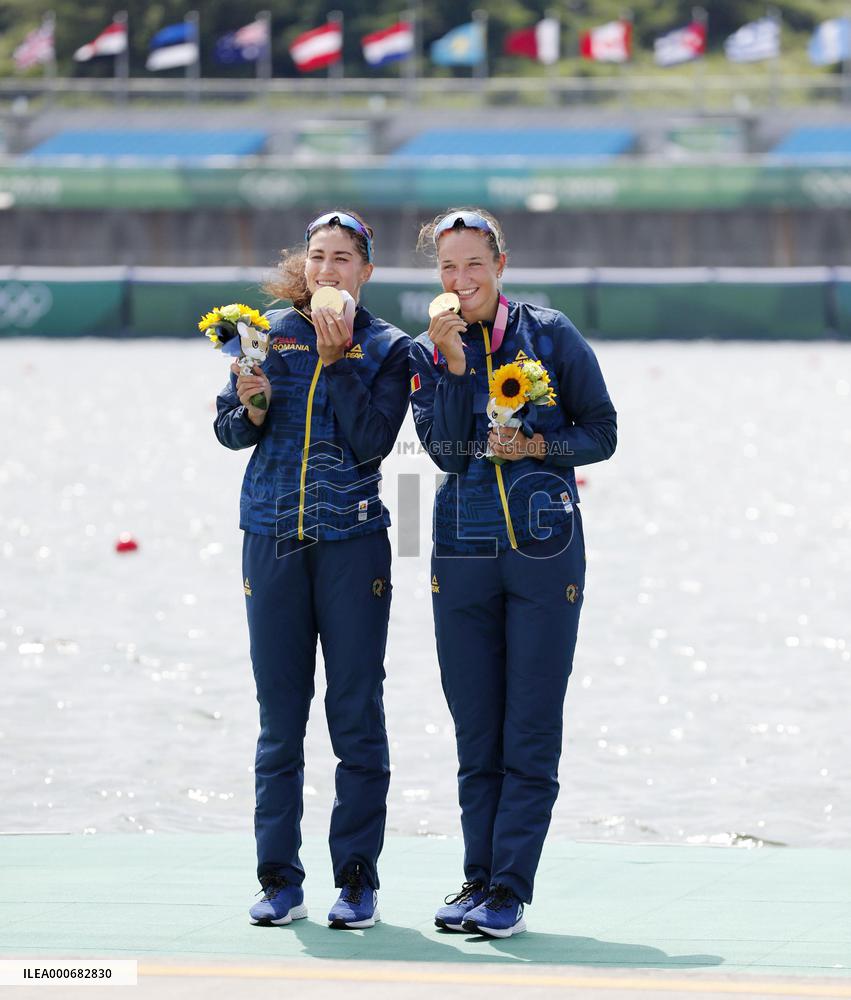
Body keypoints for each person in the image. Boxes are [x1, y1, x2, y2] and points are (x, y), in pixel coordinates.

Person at [408, 208, 617, 938]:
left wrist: (534, 445)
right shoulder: (427, 349)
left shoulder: (551, 334)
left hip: (543, 553)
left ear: (500, 263)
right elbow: (442, 451)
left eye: (472, 265)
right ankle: (474, 879)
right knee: (475, 731)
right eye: (446, 269)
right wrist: (458, 372)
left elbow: (602, 432)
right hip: (460, 554)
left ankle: (508, 890)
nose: (460, 282)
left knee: (528, 727)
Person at [214, 211, 410, 930]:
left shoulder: (388, 347)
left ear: (365, 271)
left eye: (341, 259)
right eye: (317, 257)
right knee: (278, 718)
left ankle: (356, 881)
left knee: (355, 715)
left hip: (352, 544)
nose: (327, 270)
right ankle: (278, 879)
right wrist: (249, 404)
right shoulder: (263, 331)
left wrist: (336, 362)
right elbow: (229, 432)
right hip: (269, 538)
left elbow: (371, 445)